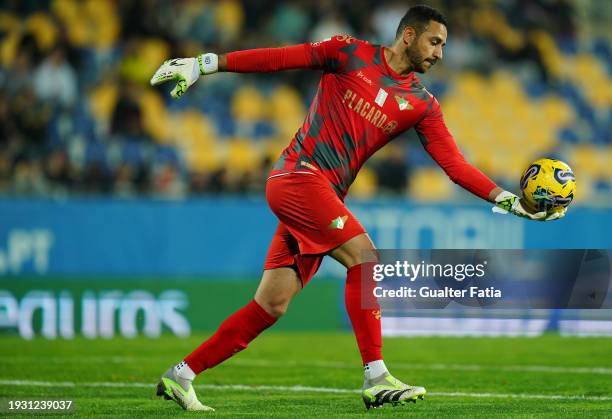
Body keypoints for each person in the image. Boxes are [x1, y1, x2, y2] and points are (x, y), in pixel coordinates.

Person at [150, 4, 564, 412]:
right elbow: (279, 59)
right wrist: (205, 63)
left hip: (321, 193)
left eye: (443, 46)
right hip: (298, 176)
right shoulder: (348, 53)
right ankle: (376, 377)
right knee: (364, 257)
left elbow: (454, 165)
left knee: (271, 305)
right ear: (408, 35)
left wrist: (510, 201)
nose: (440, 54)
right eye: (435, 42)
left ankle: (182, 374)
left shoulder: (422, 103)